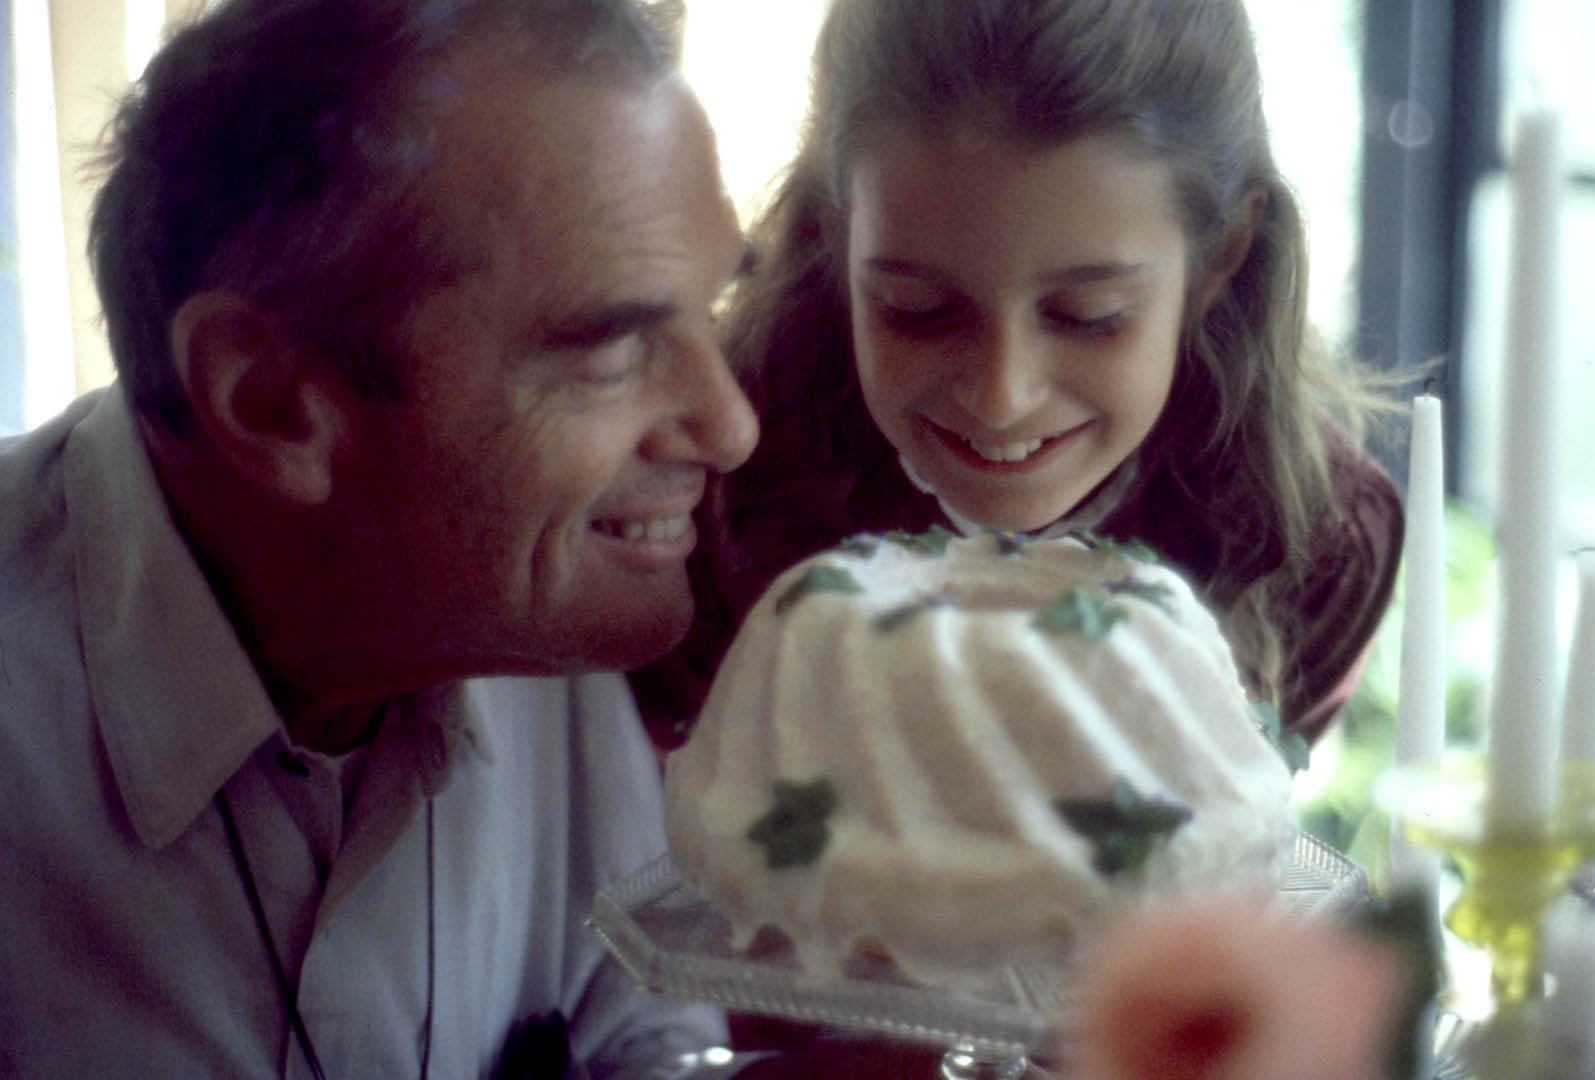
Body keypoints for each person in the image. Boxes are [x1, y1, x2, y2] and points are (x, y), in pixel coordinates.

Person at [0, 0, 946, 1074]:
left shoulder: (539, 605)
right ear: (271, 401)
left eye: (706, 310)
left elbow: (631, 1041)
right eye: (608, 352)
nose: (729, 426)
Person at [633, 0, 1407, 753]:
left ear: (1219, 257)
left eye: (1089, 314)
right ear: (835, 237)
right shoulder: (702, 504)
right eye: (918, 309)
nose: (1002, 397)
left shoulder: (1311, 541)